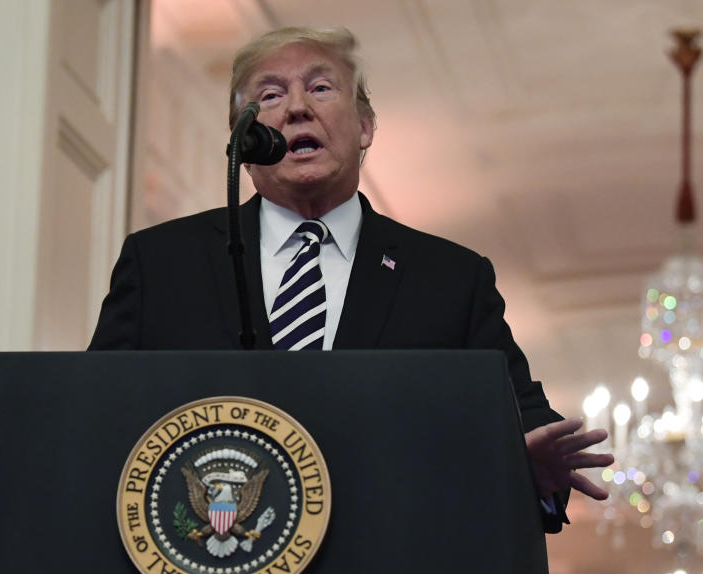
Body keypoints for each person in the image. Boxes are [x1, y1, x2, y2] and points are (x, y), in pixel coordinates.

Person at [89, 26, 611, 528]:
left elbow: (525, 420)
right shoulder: (161, 264)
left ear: (364, 126)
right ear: (244, 143)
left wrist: (533, 473)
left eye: (320, 87)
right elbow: (92, 417)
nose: (296, 107)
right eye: (269, 96)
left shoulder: (451, 279)